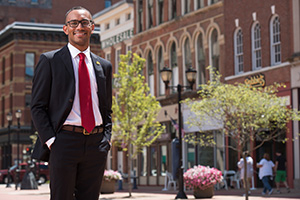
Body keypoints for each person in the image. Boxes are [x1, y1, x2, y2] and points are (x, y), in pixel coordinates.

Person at [31, 6, 112, 200]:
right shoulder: (50, 61)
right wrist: (51, 141)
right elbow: (37, 106)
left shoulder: (104, 66)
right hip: (64, 142)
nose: (79, 27)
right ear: (66, 29)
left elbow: (106, 108)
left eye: (84, 22)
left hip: (96, 143)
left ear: (92, 27)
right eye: (73, 23)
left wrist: (106, 138)